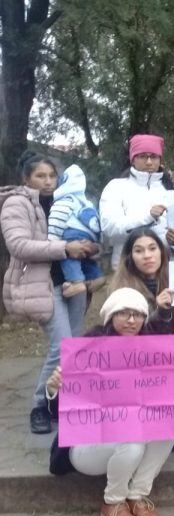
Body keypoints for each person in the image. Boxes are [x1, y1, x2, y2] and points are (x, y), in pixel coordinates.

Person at [47, 287, 174, 516]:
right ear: (110, 316)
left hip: (131, 439)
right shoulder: (86, 352)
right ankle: (112, 502)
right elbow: (60, 412)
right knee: (132, 442)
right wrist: (54, 389)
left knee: (169, 424)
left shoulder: (157, 353)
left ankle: (136, 495)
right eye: (123, 313)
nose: (131, 320)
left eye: (138, 314)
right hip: (87, 448)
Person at [1, 151, 97, 434]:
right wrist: (65, 248)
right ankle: (39, 405)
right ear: (26, 178)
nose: (48, 181)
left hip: (74, 282)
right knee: (61, 346)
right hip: (42, 285)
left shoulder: (66, 200)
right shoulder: (16, 204)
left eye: (52, 175)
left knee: (74, 345)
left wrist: (92, 247)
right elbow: (18, 245)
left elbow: (89, 232)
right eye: (40, 176)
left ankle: (62, 400)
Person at [100, 134, 174, 269]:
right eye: (143, 156)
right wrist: (148, 217)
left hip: (168, 270)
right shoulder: (116, 187)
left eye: (154, 156)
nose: (149, 162)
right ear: (133, 159)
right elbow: (109, 228)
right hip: (128, 269)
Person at [46, 164, 104, 298]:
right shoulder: (87, 202)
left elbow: (57, 218)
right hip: (90, 236)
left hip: (71, 233)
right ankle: (96, 277)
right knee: (85, 259)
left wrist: (53, 239)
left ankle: (76, 281)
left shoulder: (65, 200)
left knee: (69, 257)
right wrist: (96, 241)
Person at [110, 228, 174, 332]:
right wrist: (160, 312)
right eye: (138, 251)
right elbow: (128, 332)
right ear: (130, 257)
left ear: (161, 252)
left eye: (152, 248)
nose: (147, 256)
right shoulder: (121, 290)